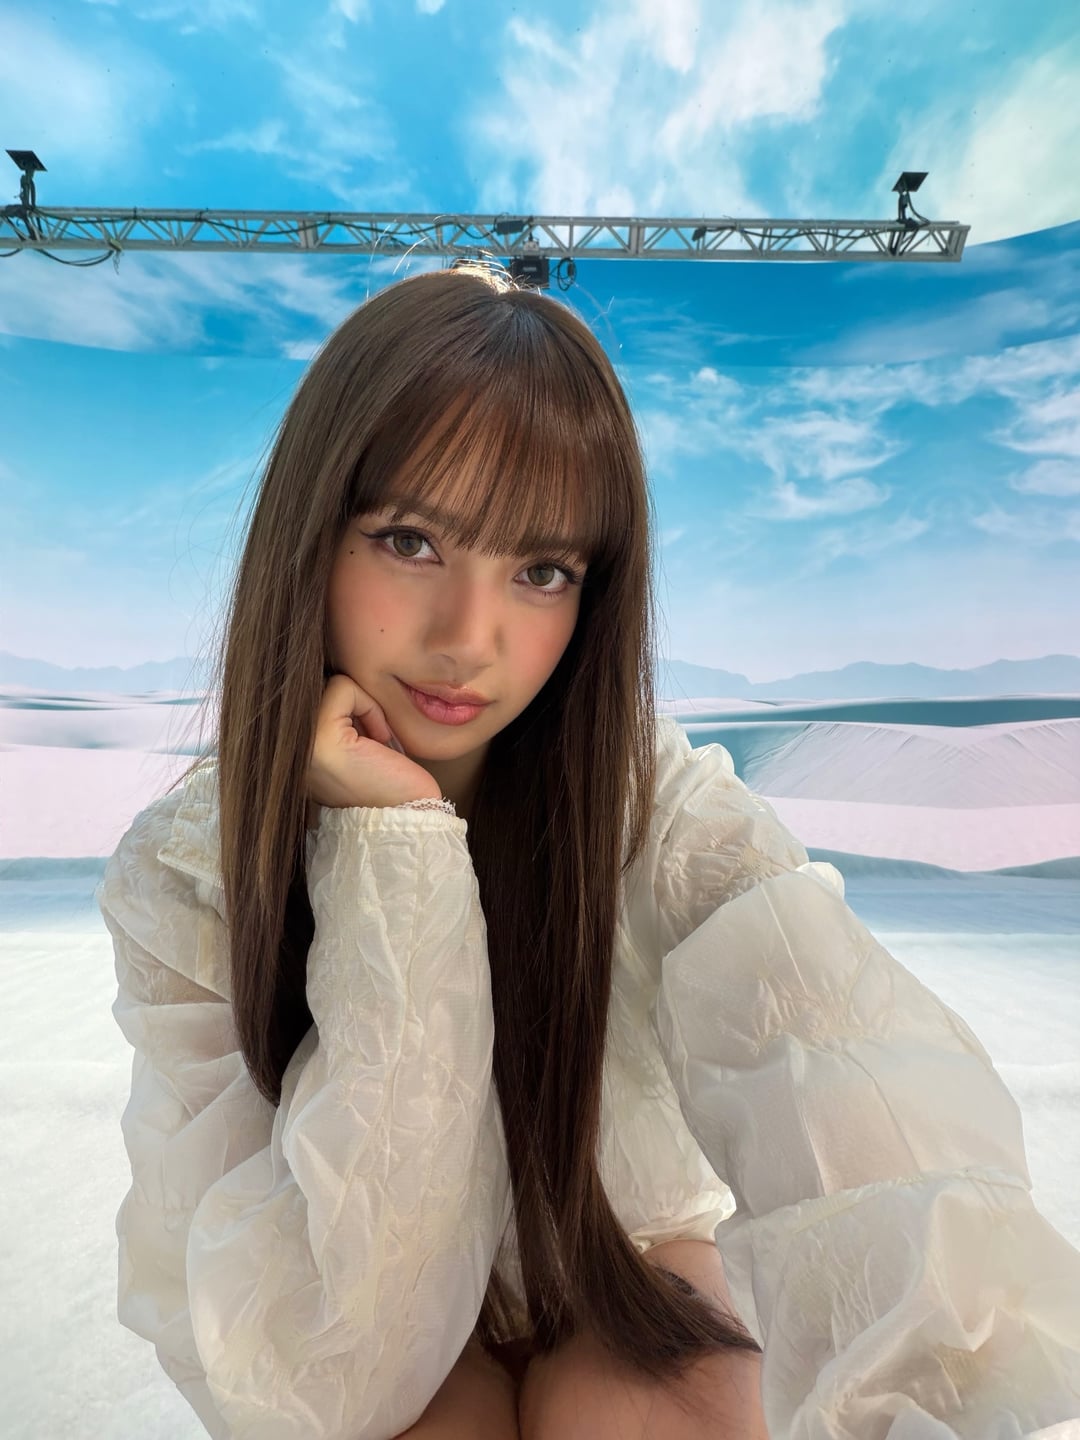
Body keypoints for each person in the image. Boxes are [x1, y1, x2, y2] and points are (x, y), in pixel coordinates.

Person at [97, 263, 1080, 1440]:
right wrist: (393, 848)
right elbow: (323, 1374)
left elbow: (843, 1080)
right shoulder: (191, 872)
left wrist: (950, 1380)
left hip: (618, 1259)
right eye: (410, 540)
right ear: (311, 533)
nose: (470, 638)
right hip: (348, 1304)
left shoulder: (658, 811)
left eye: (542, 571)